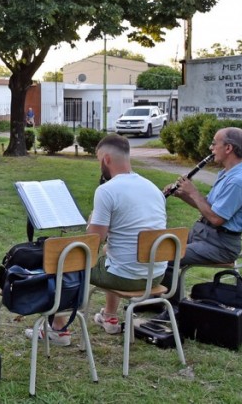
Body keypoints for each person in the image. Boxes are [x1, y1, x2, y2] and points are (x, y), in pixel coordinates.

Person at [84, 135, 167, 337]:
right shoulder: (153, 188)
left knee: (66, 263)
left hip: (126, 277)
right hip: (155, 275)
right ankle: (110, 316)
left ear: (106, 159)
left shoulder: (106, 190)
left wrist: (91, 221)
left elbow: (93, 240)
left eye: (98, 160)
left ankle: (58, 329)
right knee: (111, 254)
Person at [168, 127, 242, 265]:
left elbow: (216, 218)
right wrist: (182, 195)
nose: (211, 148)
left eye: (214, 143)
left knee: (165, 257)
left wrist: (193, 192)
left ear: (228, 148)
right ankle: (169, 285)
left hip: (220, 245)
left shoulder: (239, 181)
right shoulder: (228, 173)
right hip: (206, 235)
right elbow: (209, 207)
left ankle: (170, 287)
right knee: (158, 245)